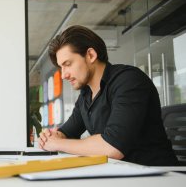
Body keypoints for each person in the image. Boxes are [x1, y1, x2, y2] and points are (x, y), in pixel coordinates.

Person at [39, 25, 178, 166]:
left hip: (156, 176)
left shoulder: (128, 81)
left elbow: (113, 147)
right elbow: (66, 132)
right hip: (120, 176)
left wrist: (58, 144)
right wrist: (52, 137)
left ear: (91, 55)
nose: (63, 75)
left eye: (67, 64)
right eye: (61, 67)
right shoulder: (86, 95)